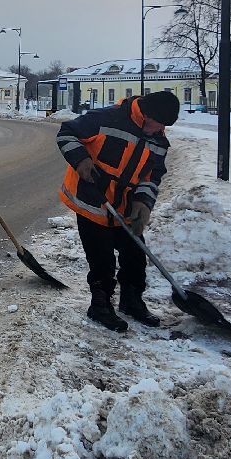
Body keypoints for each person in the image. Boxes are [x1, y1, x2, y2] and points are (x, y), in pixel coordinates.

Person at [56, 90, 180, 332]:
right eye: (158, 124)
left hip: (123, 207)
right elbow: (66, 133)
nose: (159, 130)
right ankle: (100, 305)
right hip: (93, 201)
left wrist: (143, 204)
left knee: (135, 256)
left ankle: (131, 301)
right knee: (101, 259)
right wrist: (82, 160)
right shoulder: (106, 118)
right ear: (145, 114)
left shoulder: (158, 139)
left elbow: (152, 176)